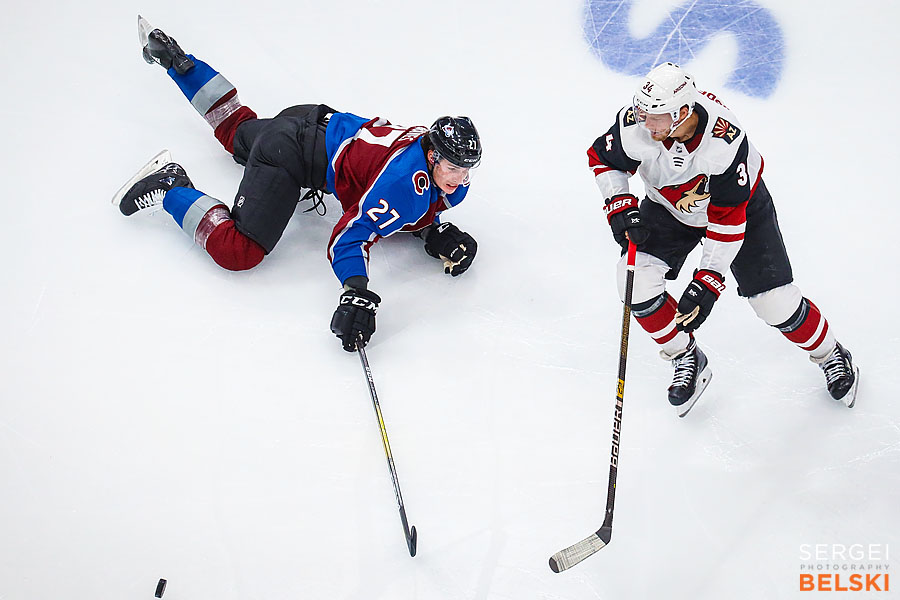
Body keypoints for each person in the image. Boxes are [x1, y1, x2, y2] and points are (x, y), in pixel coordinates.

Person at [115, 17, 482, 352]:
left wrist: (432, 232)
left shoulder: (431, 157)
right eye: (452, 168)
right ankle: (171, 186)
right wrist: (355, 291)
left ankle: (179, 63)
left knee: (237, 130)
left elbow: (410, 205)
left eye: (467, 170)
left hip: (309, 118)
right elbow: (349, 236)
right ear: (432, 155)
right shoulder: (403, 183)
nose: (460, 180)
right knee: (239, 251)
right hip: (289, 153)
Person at [587, 62, 859, 416]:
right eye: (642, 112)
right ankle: (685, 355)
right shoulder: (637, 125)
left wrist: (709, 279)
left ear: (683, 112)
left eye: (655, 117)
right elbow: (603, 158)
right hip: (669, 207)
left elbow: (727, 221)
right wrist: (619, 203)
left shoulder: (724, 142)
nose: (645, 123)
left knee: (774, 303)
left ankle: (830, 353)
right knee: (633, 280)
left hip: (740, 210)